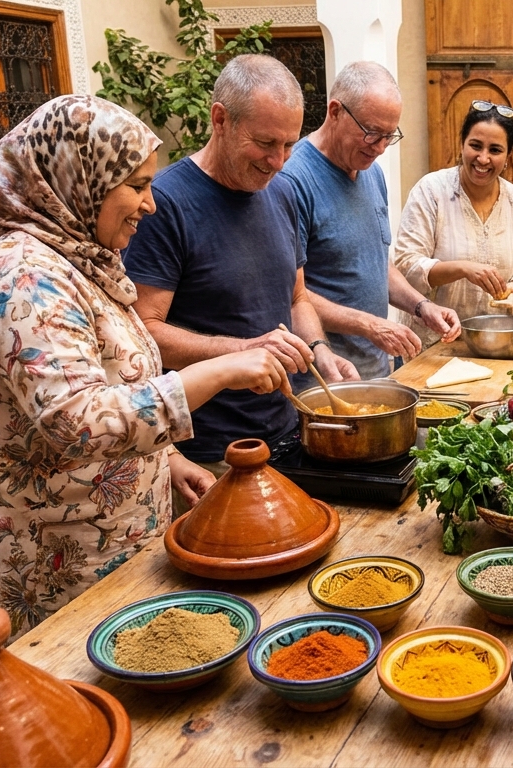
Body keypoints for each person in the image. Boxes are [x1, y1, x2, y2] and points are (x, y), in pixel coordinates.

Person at [0, 95, 291, 639]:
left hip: (109, 549)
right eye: (136, 186)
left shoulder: (79, 260)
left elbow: (117, 378)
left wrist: (166, 458)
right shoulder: (27, 277)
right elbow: (77, 420)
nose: (150, 205)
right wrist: (223, 369)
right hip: (50, 562)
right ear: (78, 177)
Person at [124, 55, 355, 470]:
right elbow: (143, 334)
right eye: (265, 143)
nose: (278, 161)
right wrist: (243, 350)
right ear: (220, 120)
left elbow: (297, 297)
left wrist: (319, 351)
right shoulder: (164, 203)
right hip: (209, 454)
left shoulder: (283, 192)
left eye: (289, 144)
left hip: (285, 432)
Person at [282, 61, 461, 384]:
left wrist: (421, 306)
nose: (379, 148)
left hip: (375, 371)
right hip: (324, 380)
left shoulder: (371, 173)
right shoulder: (293, 180)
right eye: (371, 133)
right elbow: (290, 294)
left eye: (388, 136)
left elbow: (377, 264)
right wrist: (370, 325)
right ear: (335, 112)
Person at [392, 100, 513, 346]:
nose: (483, 158)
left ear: (508, 156)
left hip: (496, 342)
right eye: (475, 146)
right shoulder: (431, 191)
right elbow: (407, 265)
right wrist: (463, 268)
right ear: (461, 144)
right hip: (433, 341)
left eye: (495, 150)